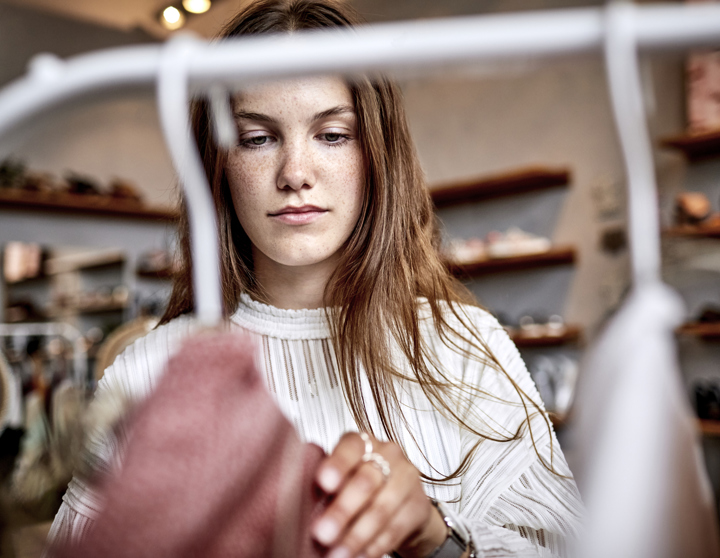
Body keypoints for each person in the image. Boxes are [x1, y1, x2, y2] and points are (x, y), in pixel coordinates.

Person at [47, 1, 583, 556]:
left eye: (332, 134)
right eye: (258, 138)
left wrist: (433, 538)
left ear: (376, 152)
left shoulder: (466, 348)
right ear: (217, 164)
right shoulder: (148, 375)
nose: (295, 174)